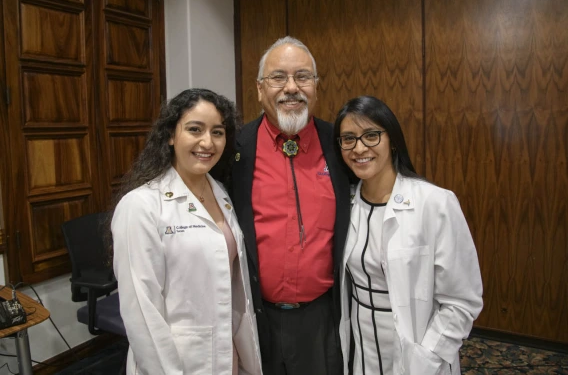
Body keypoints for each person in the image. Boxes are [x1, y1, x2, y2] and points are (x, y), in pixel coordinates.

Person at [111, 89, 262, 375]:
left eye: (217, 132)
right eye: (195, 129)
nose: (207, 142)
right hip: (177, 361)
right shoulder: (141, 205)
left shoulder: (221, 194)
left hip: (226, 351)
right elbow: (142, 312)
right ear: (170, 135)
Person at [333, 95, 483, 375]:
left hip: (418, 355)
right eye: (348, 139)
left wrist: (427, 358)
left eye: (371, 135)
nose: (359, 147)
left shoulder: (435, 203)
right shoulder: (346, 205)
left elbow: (462, 301)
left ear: (392, 139)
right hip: (362, 351)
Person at [231, 36, 351, 375]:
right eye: (278, 77)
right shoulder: (234, 149)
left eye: (303, 77)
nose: (291, 87)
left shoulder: (341, 145)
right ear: (259, 89)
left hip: (322, 318)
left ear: (315, 86)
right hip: (254, 316)